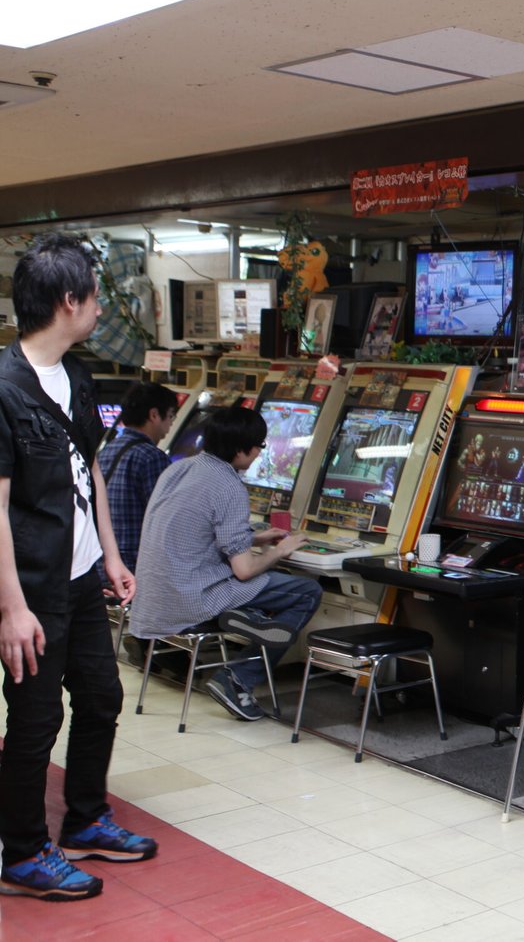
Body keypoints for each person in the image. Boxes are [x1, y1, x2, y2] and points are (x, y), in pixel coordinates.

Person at [0, 233, 157, 902]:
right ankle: (23, 850)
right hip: (31, 589)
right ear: (69, 301)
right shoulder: (4, 389)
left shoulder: (79, 376)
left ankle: (86, 817)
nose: (100, 307)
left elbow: (88, 467)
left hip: (82, 578)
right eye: (95, 295)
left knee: (101, 696)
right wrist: (11, 608)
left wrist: (114, 556)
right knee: (35, 721)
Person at [131, 406, 322, 722]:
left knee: (265, 588)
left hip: (155, 591)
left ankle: (250, 616)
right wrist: (279, 551)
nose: (261, 452)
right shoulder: (229, 484)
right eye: (259, 445)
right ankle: (237, 678)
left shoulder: (180, 468)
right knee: (306, 590)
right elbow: (244, 570)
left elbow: (197, 530)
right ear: (240, 449)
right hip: (193, 595)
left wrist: (255, 538)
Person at [96, 381, 179, 668]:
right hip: (132, 571)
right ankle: (164, 647)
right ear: (155, 415)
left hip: (100, 565)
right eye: (170, 418)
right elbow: (170, 524)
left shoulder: (104, 452)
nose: (169, 427)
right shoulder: (151, 458)